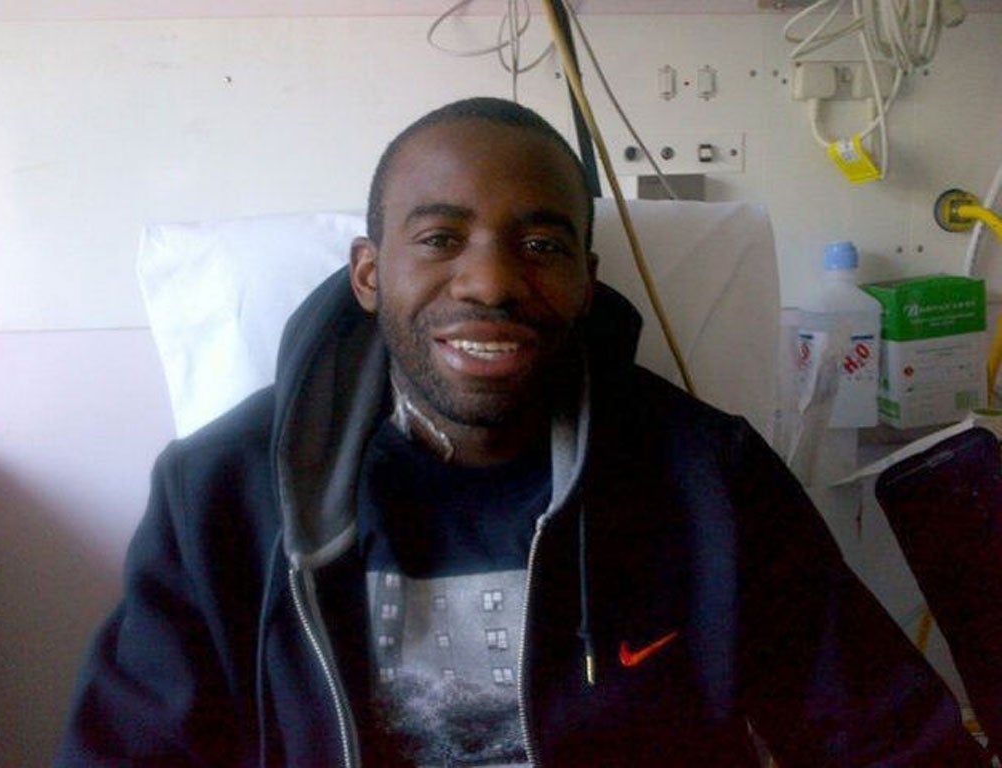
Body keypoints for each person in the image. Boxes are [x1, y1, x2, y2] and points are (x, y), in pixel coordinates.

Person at [57, 97, 988, 767]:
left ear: (586, 279)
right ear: (369, 273)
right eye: (440, 238)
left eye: (540, 245)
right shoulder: (220, 495)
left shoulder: (711, 483)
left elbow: (887, 738)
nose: (492, 282)